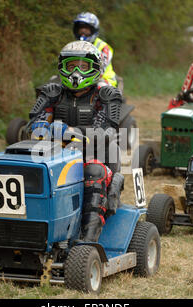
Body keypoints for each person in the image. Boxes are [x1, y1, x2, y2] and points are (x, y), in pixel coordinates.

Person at [29, 40, 124, 242]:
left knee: (93, 172)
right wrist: (43, 129)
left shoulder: (106, 94)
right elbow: (35, 124)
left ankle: (88, 241)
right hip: (57, 158)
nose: (76, 72)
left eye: (83, 66)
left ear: (95, 67)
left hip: (99, 159)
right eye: (71, 66)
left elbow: (104, 132)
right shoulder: (52, 92)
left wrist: (69, 132)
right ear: (62, 67)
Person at [73, 12, 118, 88]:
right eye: (80, 28)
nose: (83, 31)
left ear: (93, 30)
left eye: (86, 28)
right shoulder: (73, 46)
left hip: (103, 79)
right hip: (78, 78)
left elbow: (101, 69)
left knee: (100, 88)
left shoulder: (103, 47)